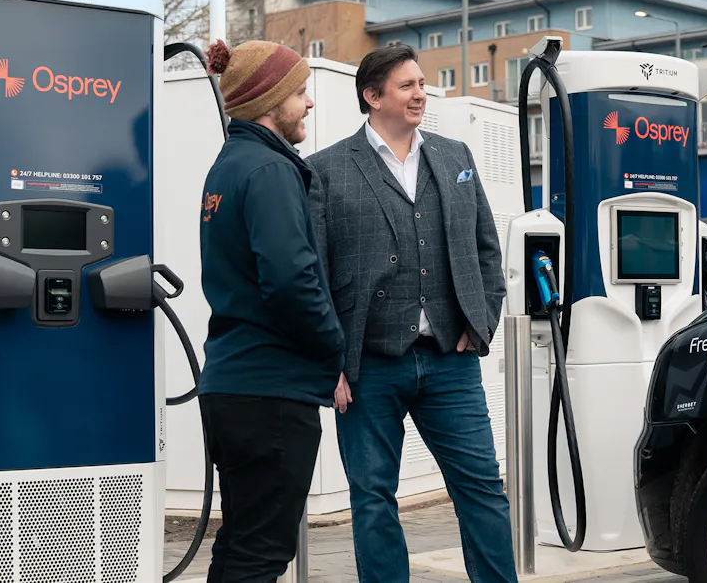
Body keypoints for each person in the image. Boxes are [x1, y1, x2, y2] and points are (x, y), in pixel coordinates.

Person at [307, 43, 515, 583]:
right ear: (371, 97)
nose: (421, 93)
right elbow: (316, 276)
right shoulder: (324, 171)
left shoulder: (455, 156)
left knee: (482, 487)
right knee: (373, 497)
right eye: (407, 86)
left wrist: (481, 320)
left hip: (450, 358)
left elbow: (486, 248)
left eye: (422, 83)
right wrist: (330, 362)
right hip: (367, 365)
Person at [197, 38, 345, 583]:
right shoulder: (269, 170)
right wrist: (333, 346)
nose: (309, 103)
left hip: (232, 386)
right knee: (261, 552)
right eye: (300, 92)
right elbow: (290, 279)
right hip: (270, 394)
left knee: (241, 544)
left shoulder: (228, 166)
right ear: (269, 97)